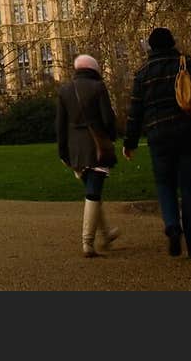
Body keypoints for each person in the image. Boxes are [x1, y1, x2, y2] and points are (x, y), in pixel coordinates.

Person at [122, 26, 191, 259]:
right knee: (190, 188)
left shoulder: (142, 73)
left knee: (165, 184)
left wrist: (130, 142)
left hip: (159, 136)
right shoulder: (185, 63)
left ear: (150, 47)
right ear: (172, 43)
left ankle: (172, 225)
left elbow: (135, 112)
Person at [56, 53, 120, 258]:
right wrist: (112, 136)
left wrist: (63, 152)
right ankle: (87, 243)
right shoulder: (98, 87)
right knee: (93, 192)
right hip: (96, 146)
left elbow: (60, 125)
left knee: (93, 191)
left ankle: (106, 235)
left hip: (75, 149)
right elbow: (107, 118)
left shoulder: (64, 90)